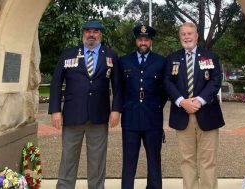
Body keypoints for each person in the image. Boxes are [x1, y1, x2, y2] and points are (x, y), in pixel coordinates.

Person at [48, 20, 121, 189]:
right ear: (83, 34)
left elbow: (118, 86)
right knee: (68, 158)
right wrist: (55, 111)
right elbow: (56, 83)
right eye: (88, 31)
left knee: (97, 160)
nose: (91, 35)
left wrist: (116, 110)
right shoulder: (68, 54)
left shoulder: (110, 55)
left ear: (100, 34)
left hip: (99, 116)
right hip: (73, 115)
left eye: (95, 31)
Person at [164, 22, 225, 189]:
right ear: (180, 37)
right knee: (187, 160)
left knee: (208, 161)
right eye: (183, 34)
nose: (187, 37)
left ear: (197, 35)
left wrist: (199, 100)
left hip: (207, 114)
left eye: (190, 33)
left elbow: (215, 80)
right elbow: (167, 82)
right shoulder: (173, 58)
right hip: (182, 115)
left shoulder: (210, 56)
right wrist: (182, 102)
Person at [118, 24, 167, 189]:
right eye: (140, 39)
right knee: (129, 159)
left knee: (154, 159)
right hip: (130, 118)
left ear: (151, 41)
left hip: (153, 118)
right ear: (136, 41)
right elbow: (119, 90)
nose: (143, 42)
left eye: (146, 39)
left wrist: (156, 106)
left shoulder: (161, 61)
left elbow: (165, 89)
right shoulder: (123, 61)